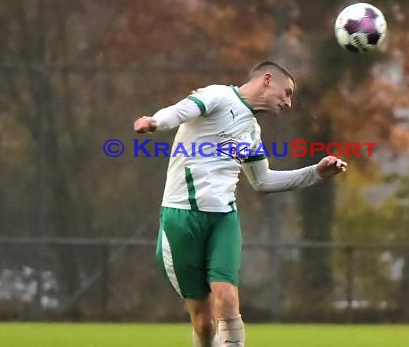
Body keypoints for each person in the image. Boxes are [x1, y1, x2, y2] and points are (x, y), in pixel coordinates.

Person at [133, 61, 347, 347]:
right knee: (204, 323)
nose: (288, 103)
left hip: (223, 219)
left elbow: (263, 182)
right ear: (267, 80)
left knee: (227, 297)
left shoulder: (251, 132)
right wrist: (156, 122)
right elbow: (181, 111)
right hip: (180, 218)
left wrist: (316, 173)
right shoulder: (219, 96)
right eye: (287, 93)